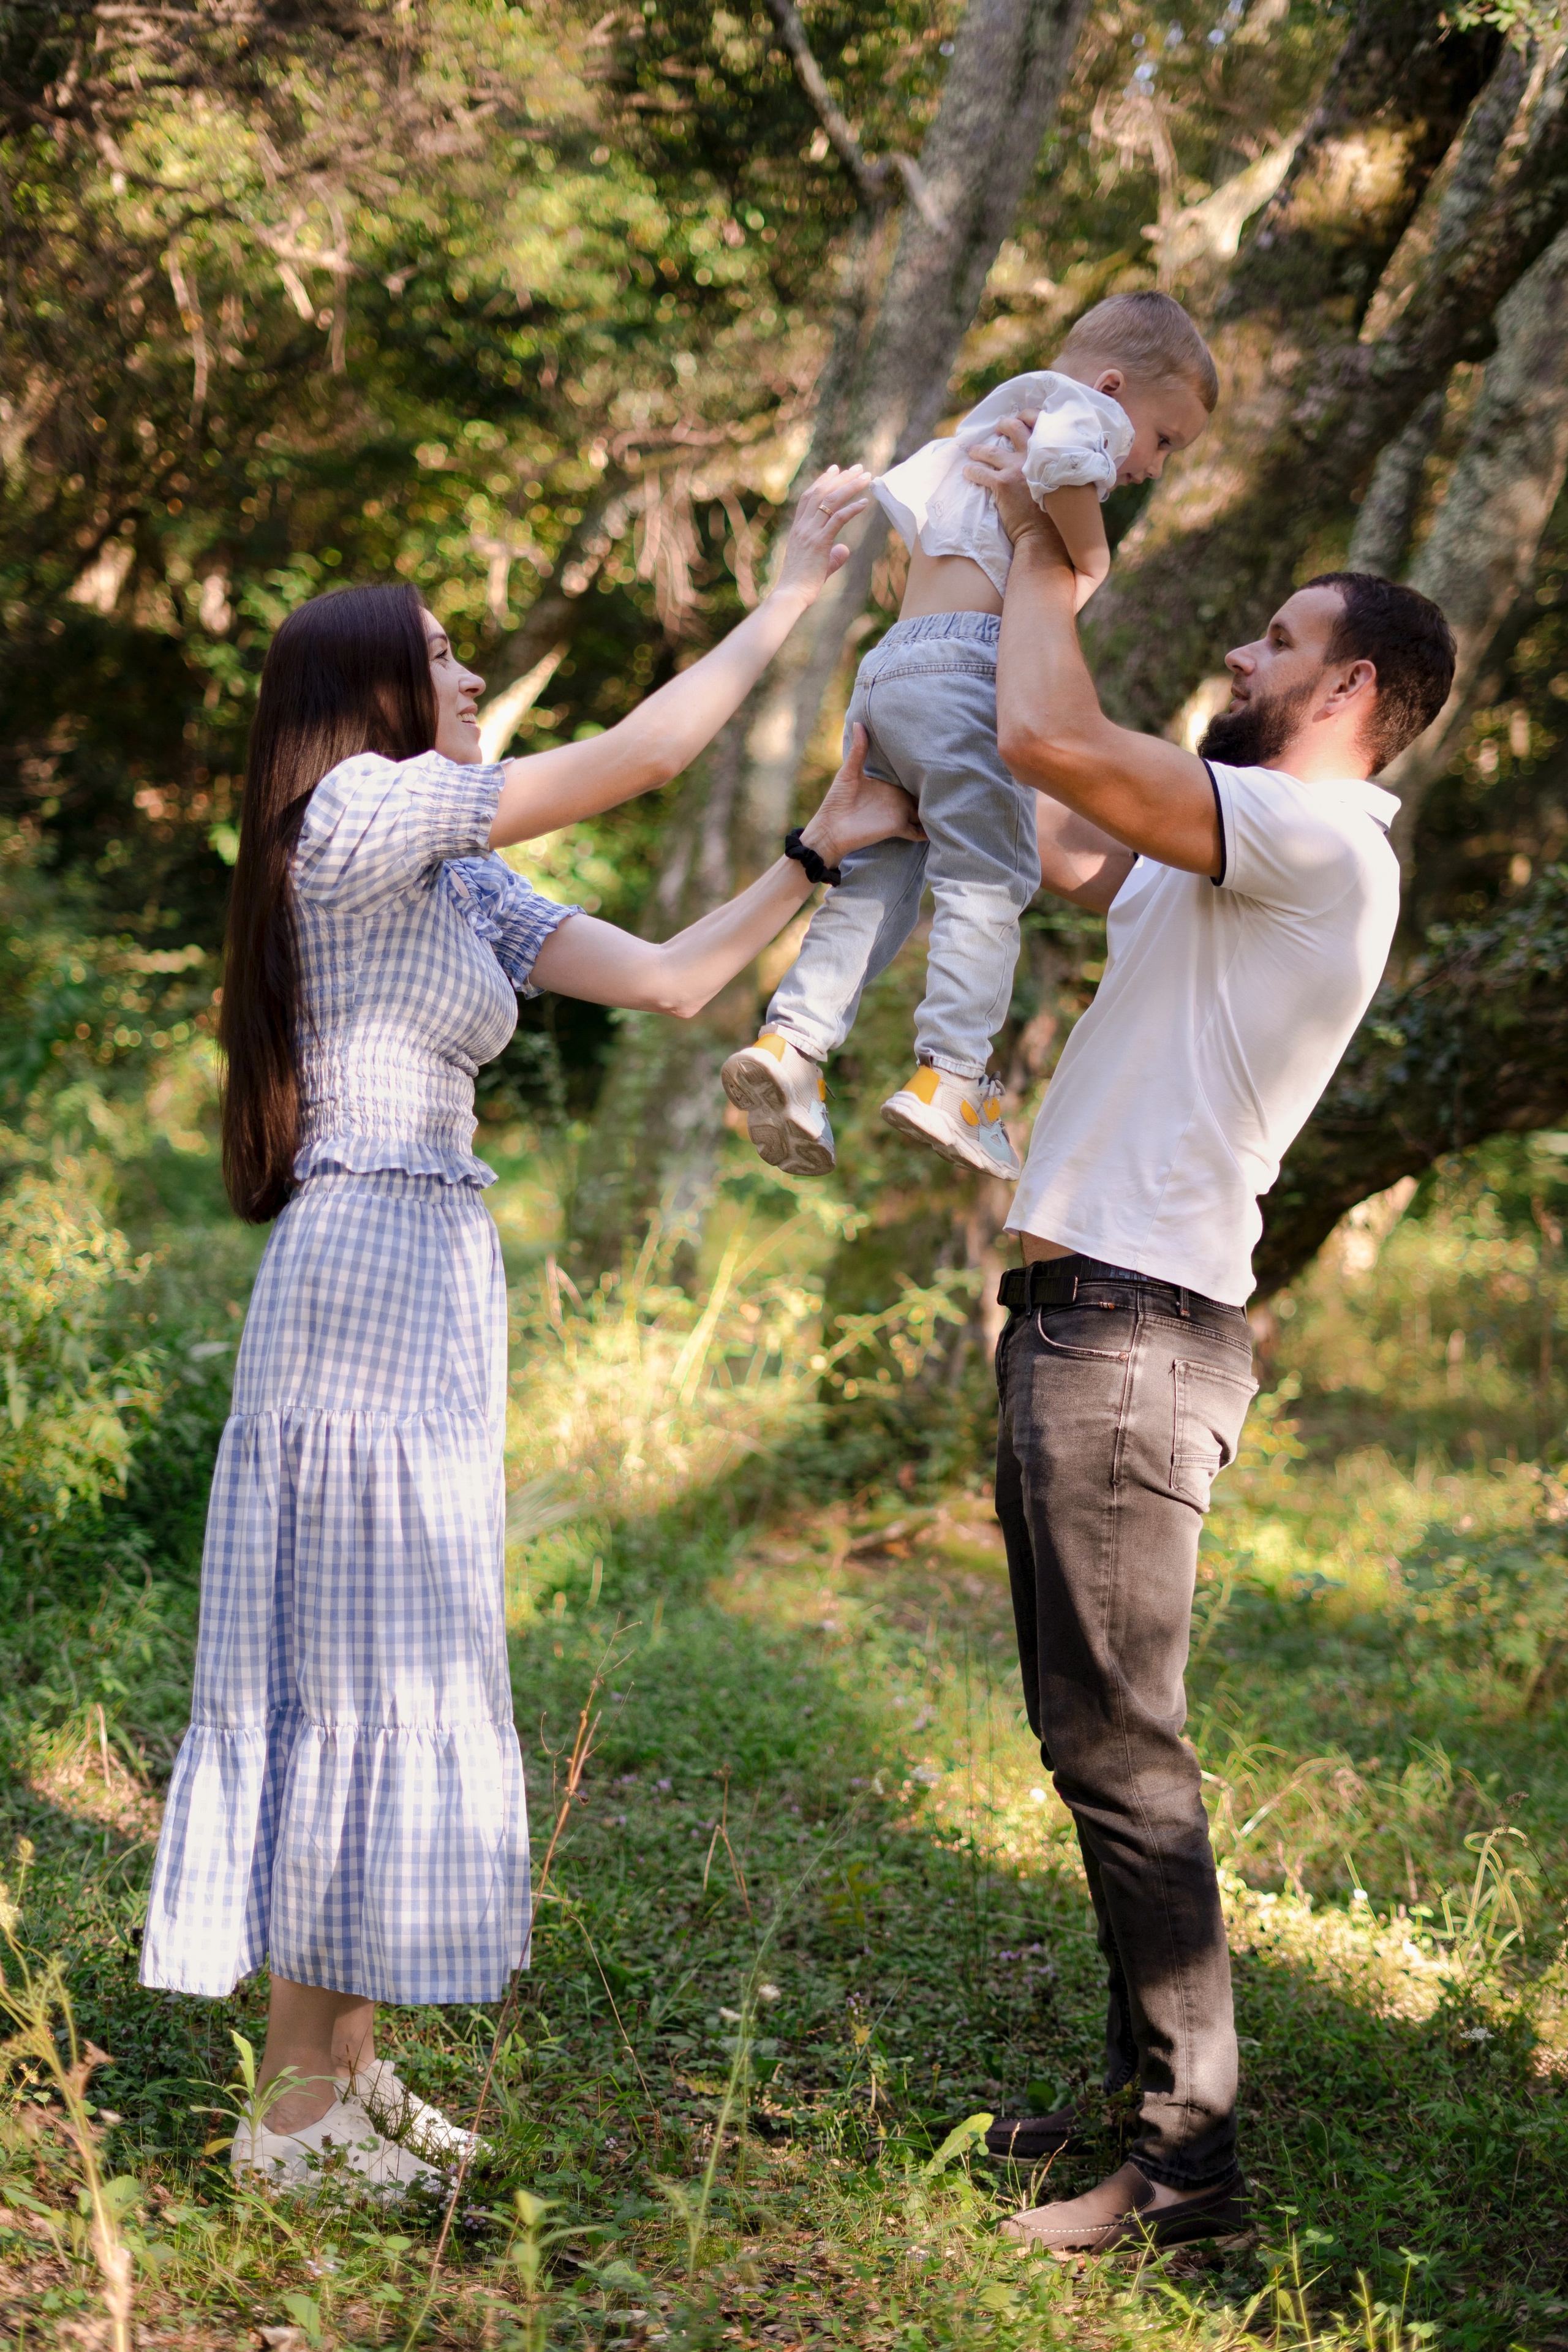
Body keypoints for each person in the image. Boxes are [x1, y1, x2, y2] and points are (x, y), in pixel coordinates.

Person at [137, 467, 923, 2193]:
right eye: (442, 654)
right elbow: (639, 759)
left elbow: (666, 980)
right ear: (366, 693)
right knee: (357, 1658)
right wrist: (792, 596)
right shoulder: (353, 821)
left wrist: (818, 848)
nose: (476, 677)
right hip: (362, 1269)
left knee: (401, 1645)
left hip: (432, 1271)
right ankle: (290, 2119)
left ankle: (348, 2071)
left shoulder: (445, 872)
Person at [961, 419, 1455, 2253]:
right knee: (1094, 1742)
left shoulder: (1320, 844)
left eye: (1271, 640)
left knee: (1126, 1755)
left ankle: (1185, 2178)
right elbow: (1062, 831)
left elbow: (1049, 738)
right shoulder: (1233, 843)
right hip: (1089, 1316)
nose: (1239, 658)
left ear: (1359, 689)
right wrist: (1028, 551)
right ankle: (1137, 2120)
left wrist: (1051, 551)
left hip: (1137, 1338)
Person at [718, 292, 1215, 1183]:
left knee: (877, 875)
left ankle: (794, 1046)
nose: (1156, 464)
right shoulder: (1075, 415)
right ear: (1112, 387)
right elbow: (1065, 465)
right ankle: (953, 1075)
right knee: (989, 877)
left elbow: (909, 496)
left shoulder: (989, 417)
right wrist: (1089, 561)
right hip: (969, 674)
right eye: (1166, 438)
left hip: (893, 668)